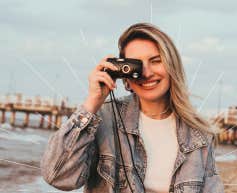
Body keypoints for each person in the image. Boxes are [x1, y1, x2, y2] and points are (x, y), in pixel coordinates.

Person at [41, 23, 224, 193]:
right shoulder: (104, 118)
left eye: (155, 60)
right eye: (135, 65)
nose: (146, 73)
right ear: (124, 76)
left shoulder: (198, 135)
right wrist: (92, 102)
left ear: (172, 66)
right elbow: (58, 177)